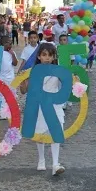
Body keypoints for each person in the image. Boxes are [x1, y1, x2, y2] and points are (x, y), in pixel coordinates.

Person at [28, 43, 66, 175]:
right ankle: (41, 159)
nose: (47, 58)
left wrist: (74, 81)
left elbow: (66, 84)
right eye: (44, 55)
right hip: (38, 106)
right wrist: (24, 82)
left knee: (56, 132)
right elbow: (24, 90)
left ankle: (55, 163)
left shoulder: (58, 71)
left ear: (54, 57)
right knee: (39, 133)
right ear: (39, 56)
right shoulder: (32, 71)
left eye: (50, 55)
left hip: (54, 105)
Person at [0, 36, 17, 118]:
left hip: (11, 78)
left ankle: (10, 111)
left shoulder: (12, 53)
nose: (11, 44)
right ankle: (2, 113)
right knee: (1, 95)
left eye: (11, 42)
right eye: (8, 42)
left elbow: (15, 63)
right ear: (3, 44)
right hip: (1, 78)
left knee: (11, 94)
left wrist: (12, 54)